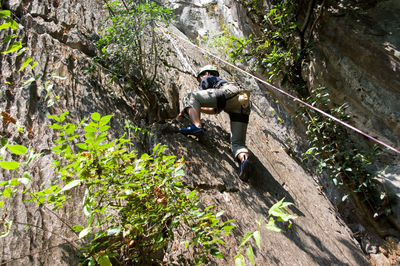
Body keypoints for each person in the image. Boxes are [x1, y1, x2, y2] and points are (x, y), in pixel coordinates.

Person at [178, 65, 251, 181]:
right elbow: (213, 110)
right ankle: (244, 161)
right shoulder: (219, 85)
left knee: (189, 96)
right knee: (237, 143)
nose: (200, 82)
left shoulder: (207, 79)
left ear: (206, 73)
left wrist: (188, 106)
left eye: (199, 79)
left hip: (228, 92)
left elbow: (198, 97)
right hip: (242, 103)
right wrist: (197, 108)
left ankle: (196, 127)